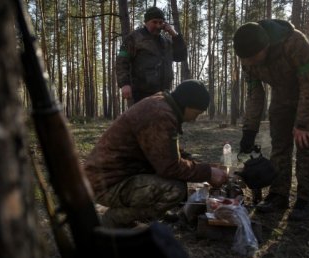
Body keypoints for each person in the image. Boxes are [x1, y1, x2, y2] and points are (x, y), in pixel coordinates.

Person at [84, 80, 228, 228]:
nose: (194, 119)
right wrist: (208, 173)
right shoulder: (161, 115)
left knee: (175, 181)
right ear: (188, 105)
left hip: (112, 176)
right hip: (105, 184)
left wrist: (199, 164)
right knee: (175, 189)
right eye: (196, 113)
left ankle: (136, 213)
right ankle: (116, 218)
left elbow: (165, 150)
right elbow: (169, 167)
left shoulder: (162, 105)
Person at [233, 19, 309, 221]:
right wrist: (249, 131)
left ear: (265, 45)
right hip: (282, 95)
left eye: (252, 58)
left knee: (306, 144)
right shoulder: (247, 57)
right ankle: (278, 194)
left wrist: (302, 124)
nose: (249, 63)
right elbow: (254, 95)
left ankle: (306, 199)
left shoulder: (294, 42)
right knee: (280, 145)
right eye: (245, 59)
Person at [116, 6, 187, 103]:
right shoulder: (134, 38)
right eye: (154, 22)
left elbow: (181, 56)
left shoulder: (166, 42)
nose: (158, 26)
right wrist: (124, 84)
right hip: (141, 94)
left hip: (164, 94)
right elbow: (122, 60)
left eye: (161, 22)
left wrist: (174, 34)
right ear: (146, 22)